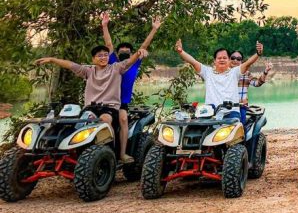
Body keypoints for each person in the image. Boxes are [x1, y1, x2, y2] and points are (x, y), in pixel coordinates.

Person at [35, 45, 144, 143]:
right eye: (99, 56)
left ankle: (108, 151)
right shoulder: (88, 71)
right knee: (76, 123)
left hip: (110, 108)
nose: (103, 58)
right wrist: (52, 59)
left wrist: (138, 53)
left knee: (105, 120)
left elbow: (129, 61)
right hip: (91, 108)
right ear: (93, 59)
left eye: (106, 55)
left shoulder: (116, 68)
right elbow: (70, 65)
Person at [100, 11, 162, 163]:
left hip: (123, 102)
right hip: (107, 100)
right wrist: (104, 26)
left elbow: (144, 45)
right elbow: (108, 45)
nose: (125, 51)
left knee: (123, 119)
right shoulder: (113, 62)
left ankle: (121, 154)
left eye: (128, 50)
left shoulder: (134, 63)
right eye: (122, 50)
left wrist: (154, 29)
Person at [174, 38, 263, 121]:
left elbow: (248, 63)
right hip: (210, 112)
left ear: (229, 61)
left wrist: (258, 53)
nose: (222, 60)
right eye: (219, 58)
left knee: (236, 133)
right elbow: (193, 62)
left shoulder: (234, 72)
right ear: (214, 61)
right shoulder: (207, 72)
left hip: (231, 112)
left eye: (225, 58)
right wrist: (181, 51)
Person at [229, 49, 273, 124]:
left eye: (238, 59)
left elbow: (257, 83)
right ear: (229, 59)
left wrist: (265, 72)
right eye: (233, 58)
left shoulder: (246, 74)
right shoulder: (223, 73)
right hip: (226, 107)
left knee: (241, 127)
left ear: (241, 61)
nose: (235, 60)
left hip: (241, 106)